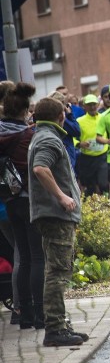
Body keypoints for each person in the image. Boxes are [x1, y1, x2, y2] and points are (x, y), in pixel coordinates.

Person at [28, 97, 86, 346]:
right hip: (56, 214)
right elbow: (41, 169)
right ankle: (55, 329)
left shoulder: (41, 135)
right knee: (58, 271)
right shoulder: (49, 138)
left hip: (51, 213)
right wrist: (62, 196)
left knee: (57, 269)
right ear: (61, 117)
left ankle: (60, 324)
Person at [0, 83, 43, 329]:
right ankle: (39, 314)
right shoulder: (28, 135)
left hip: (8, 200)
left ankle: (23, 313)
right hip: (28, 199)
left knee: (22, 257)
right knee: (37, 257)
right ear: (26, 110)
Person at [75, 94, 107, 195]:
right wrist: (79, 144)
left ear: (97, 105)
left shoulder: (104, 118)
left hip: (103, 155)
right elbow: (72, 137)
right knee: (90, 187)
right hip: (87, 157)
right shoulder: (79, 121)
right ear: (84, 106)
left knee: (103, 184)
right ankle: (94, 208)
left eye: (94, 104)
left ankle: (106, 205)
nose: (92, 107)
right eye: (89, 105)